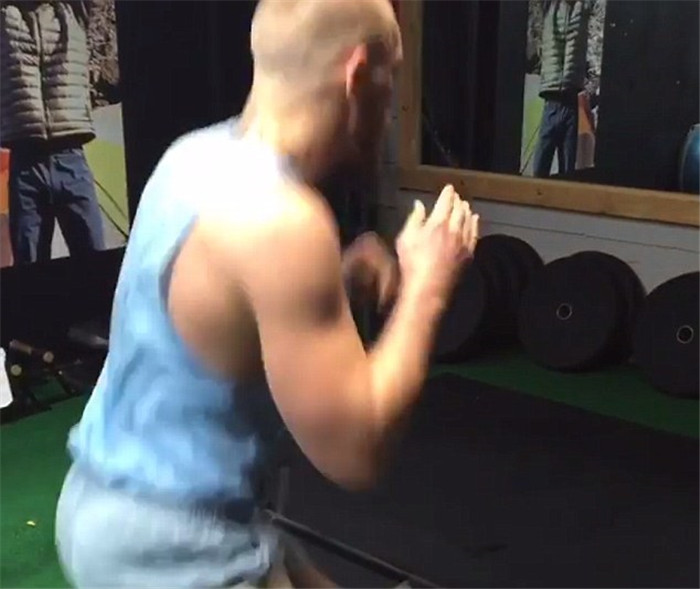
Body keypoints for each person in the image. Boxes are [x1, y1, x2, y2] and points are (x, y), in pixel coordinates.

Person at [55, 0, 479, 587]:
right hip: (173, 548)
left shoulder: (193, 156)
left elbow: (221, 312)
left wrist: (340, 275)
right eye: (394, 75)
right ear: (359, 74)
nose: (391, 110)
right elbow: (357, 453)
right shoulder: (282, 222)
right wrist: (427, 286)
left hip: (108, 504)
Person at [0, 0, 105, 263]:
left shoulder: (73, 11)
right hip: (25, 165)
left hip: (71, 158)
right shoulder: (5, 17)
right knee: (30, 272)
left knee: (96, 263)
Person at [532, 0, 594, 178]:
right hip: (551, 101)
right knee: (540, 168)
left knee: (567, 171)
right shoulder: (550, 6)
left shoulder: (583, 7)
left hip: (570, 102)